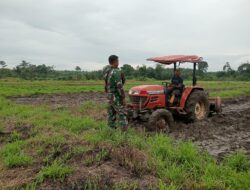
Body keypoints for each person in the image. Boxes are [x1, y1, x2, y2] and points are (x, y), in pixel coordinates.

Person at [104, 55, 128, 131]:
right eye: (118, 61)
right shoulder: (116, 72)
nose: (118, 62)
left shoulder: (107, 71)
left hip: (109, 96)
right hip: (116, 97)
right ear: (115, 61)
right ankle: (124, 133)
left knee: (111, 114)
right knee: (122, 114)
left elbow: (105, 84)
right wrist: (123, 98)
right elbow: (119, 86)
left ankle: (111, 130)